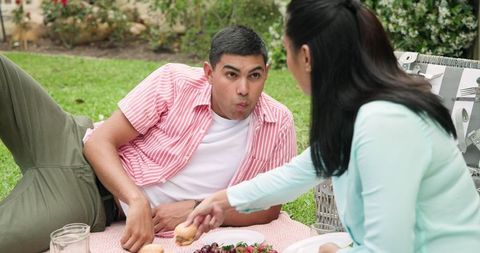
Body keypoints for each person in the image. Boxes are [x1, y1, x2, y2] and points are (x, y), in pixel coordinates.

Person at [185, 1, 480, 253]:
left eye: (286, 51)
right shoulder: (358, 110)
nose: (287, 63)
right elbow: (299, 172)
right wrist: (221, 201)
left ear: (306, 56)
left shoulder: (385, 122)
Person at [0, 25, 297, 253]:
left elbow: (268, 208)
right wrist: (136, 198)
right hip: (68, 135)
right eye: (231, 75)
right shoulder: (174, 82)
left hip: (84, 198)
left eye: (254, 76)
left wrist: (199, 208)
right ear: (209, 72)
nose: (243, 88)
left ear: (267, 74)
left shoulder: (278, 123)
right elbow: (97, 142)